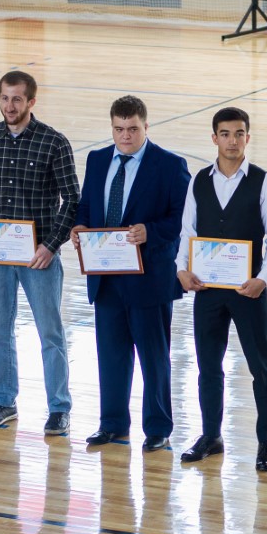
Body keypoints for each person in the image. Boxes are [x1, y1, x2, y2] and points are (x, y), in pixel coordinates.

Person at [0, 71, 80, 435]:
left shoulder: (54, 142)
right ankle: (2, 402)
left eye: (16, 99)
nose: (9, 106)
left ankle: (59, 407)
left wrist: (51, 245)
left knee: (50, 333)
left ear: (31, 101)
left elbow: (72, 199)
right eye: (4, 98)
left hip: (39, 255)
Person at [73, 95, 191, 452]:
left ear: (146, 126)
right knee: (111, 356)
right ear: (112, 128)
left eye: (133, 129)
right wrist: (79, 227)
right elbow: (86, 206)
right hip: (105, 276)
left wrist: (149, 232)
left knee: (154, 358)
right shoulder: (97, 159)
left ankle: (158, 428)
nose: (125, 136)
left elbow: (183, 219)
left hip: (149, 279)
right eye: (119, 129)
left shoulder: (170, 165)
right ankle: (112, 425)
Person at [175, 106, 267, 471]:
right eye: (225, 134)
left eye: (238, 134)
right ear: (214, 138)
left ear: (247, 138)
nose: (232, 141)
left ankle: (266, 442)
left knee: (261, 368)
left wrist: (263, 278)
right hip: (207, 290)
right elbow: (188, 231)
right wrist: (181, 269)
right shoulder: (199, 181)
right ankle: (211, 435)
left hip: (248, 290)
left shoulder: (265, 182)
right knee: (208, 366)